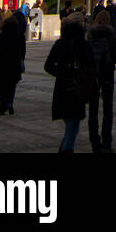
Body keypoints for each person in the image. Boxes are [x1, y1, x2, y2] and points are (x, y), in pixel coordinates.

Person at [44, 13, 98, 153]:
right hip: (77, 88)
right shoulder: (83, 44)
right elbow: (92, 64)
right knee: (73, 126)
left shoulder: (60, 43)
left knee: (71, 125)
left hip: (62, 88)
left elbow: (48, 66)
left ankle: (65, 149)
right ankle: (67, 149)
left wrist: (62, 74)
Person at [87, 8, 116, 150]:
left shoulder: (90, 34)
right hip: (107, 73)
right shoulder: (111, 34)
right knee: (108, 109)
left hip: (92, 74)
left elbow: (86, 54)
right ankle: (107, 143)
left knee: (93, 110)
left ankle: (95, 143)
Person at [0, 11, 24, 116]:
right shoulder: (19, 36)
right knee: (11, 86)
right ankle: (9, 102)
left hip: (2, 64)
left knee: (1, 87)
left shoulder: (1, 36)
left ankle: (2, 107)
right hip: (14, 65)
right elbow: (22, 52)